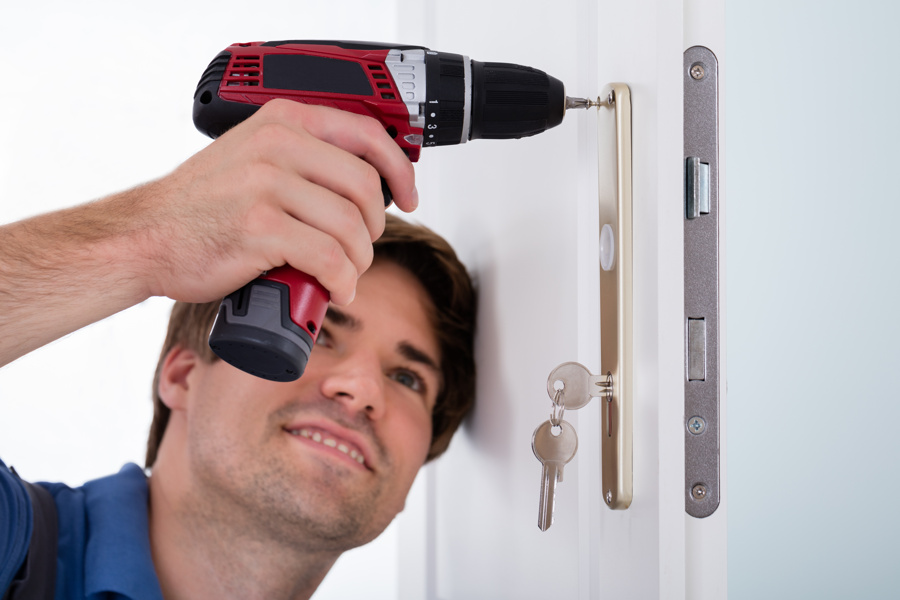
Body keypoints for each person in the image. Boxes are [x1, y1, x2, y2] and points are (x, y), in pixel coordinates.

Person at [0, 99, 477, 599]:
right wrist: (150, 239)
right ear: (182, 374)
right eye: (316, 333)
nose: (362, 389)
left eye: (407, 378)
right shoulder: (19, 553)